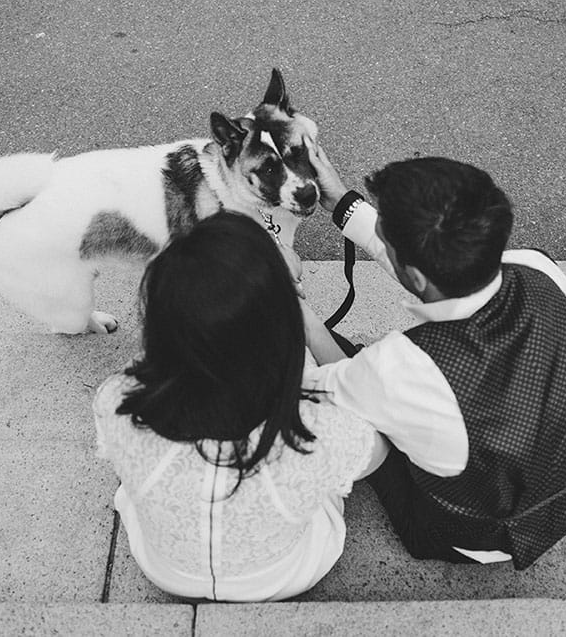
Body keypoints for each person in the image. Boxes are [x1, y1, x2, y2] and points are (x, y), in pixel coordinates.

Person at [299, 143, 566, 570]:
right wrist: (342, 203)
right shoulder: (539, 270)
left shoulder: (401, 367)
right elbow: (433, 271)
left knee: (337, 399)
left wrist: (286, 298)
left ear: (412, 274)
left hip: (471, 537)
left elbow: (327, 383)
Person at [93, 211, 387, 602]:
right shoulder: (319, 434)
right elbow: (375, 437)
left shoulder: (115, 400)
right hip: (284, 575)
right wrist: (306, 321)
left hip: (166, 569)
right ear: (277, 328)